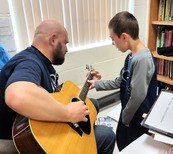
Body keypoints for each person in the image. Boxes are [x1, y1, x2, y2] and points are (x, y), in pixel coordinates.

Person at [0, 19, 115, 154]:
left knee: (93, 104)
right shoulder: (29, 62)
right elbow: (16, 96)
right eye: (65, 43)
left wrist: (87, 84)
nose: (67, 49)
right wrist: (67, 113)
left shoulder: (43, 63)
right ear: (53, 39)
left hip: (41, 125)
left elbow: (56, 95)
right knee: (107, 135)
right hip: (25, 139)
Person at [88, 11, 158, 151]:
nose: (113, 43)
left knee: (132, 147)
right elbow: (121, 81)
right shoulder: (131, 56)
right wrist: (96, 84)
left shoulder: (142, 59)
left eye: (113, 39)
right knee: (122, 142)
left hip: (137, 119)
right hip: (128, 116)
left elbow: (137, 96)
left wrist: (125, 119)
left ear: (124, 36)